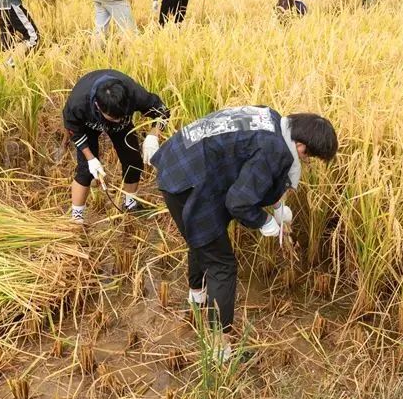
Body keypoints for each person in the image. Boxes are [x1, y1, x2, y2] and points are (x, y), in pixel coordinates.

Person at [151, 107, 338, 358]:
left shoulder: (270, 118)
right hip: (187, 181)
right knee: (222, 265)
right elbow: (238, 202)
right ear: (302, 146)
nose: (306, 161)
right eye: (309, 157)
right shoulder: (274, 150)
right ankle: (220, 349)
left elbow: (250, 170)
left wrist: (278, 206)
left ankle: (196, 298)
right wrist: (264, 223)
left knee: (203, 239)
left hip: (179, 161)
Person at [61, 69, 169, 223]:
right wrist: (91, 158)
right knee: (86, 170)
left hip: (121, 128)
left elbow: (162, 111)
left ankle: (130, 204)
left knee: (133, 160)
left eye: (121, 116)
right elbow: (74, 130)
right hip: (88, 126)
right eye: (113, 117)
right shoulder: (78, 102)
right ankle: (77, 217)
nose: (118, 120)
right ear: (98, 106)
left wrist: (153, 135)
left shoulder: (133, 93)